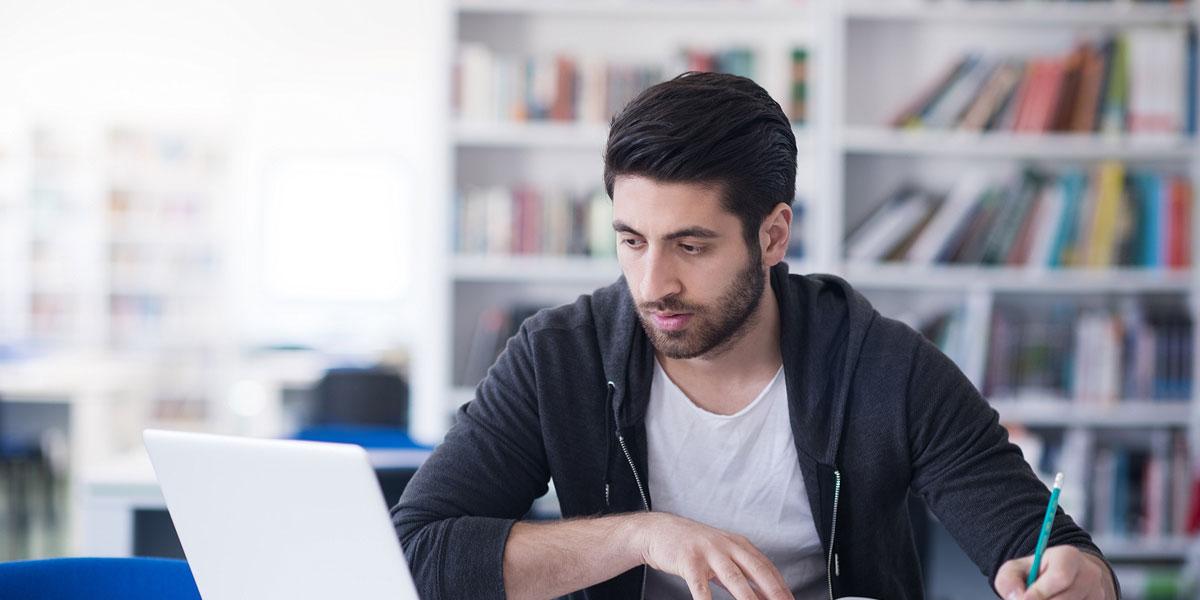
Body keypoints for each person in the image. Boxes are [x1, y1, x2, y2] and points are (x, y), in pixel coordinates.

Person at [391, 72, 1118, 600]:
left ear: (772, 236)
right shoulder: (559, 359)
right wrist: (644, 535)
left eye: (692, 246)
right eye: (632, 241)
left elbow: (1048, 547)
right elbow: (418, 553)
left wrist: (1076, 575)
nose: (652, 285)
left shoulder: (885, 368)